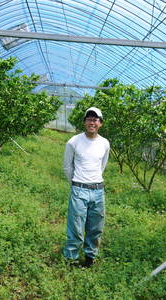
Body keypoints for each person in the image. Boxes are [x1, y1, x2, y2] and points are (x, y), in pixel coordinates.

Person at [62, 107, 110, 268]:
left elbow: (102, 166)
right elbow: (67, 167)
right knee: (75, 226)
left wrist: (93, 181)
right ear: (84, 122)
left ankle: (90, 258)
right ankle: (71, 259)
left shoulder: (104, 143)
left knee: (96, 227)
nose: (92, 122)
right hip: (79, 189)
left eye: (95, 119)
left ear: (100, 123)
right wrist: (77, 183)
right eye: (89, 119)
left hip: (98, 191)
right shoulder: (74, 142)